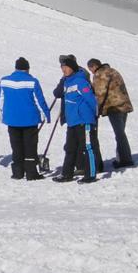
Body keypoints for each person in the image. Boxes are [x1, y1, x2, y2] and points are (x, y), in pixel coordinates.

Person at [0, 57, 51, 180]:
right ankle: (31, 173)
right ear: (27, 69)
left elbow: (0, 99)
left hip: (12, 120)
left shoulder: (4, 81)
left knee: (16, 146)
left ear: (16, 68)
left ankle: (17, 172)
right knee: (30, 146)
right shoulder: (32, 81)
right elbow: (39, 100)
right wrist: (46, 115)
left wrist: (5, 112)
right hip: (29, 120)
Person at [54, 56, 103, 184]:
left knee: (87, 147)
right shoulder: (66, 82)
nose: (63, 69)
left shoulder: (81, 81)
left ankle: (90, 174)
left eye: (66, 67)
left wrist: (94, 117)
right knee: (70, 148)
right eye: (62, 67)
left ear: (72, 67)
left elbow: (92, 101)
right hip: (72, 122)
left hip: (84, 121)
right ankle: (66, 174)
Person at [87, 59, 134, 170]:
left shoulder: (100, 74)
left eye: (91, 70)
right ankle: (122, 157)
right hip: (124, 105)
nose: (92, 73)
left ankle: (125, 159)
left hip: (114, 107)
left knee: (120, 134)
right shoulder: (113, 70)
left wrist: (96, 110)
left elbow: (100, 93)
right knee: (121, 133)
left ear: (94, 66)